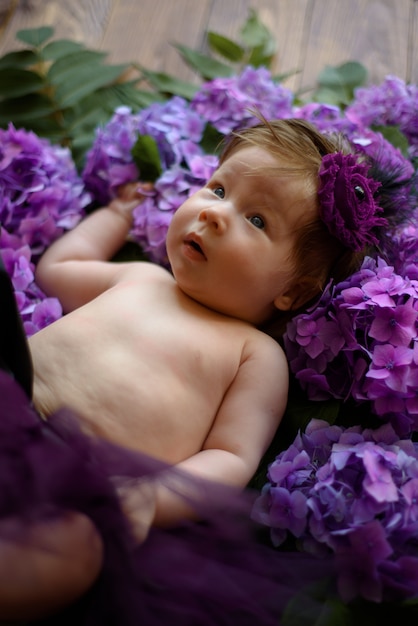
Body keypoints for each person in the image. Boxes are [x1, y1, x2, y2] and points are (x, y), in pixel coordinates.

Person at [0, 117, 390, 623]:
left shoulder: (253, 355)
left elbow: (229, 458)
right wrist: (116, 214)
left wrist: (150, 499)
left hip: (83, 487)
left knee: (80, 550)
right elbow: (58, 269)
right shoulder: (142, 278)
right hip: (12, 401)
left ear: (294, 291)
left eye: (257, 221)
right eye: (218, 188)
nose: (214, 214)